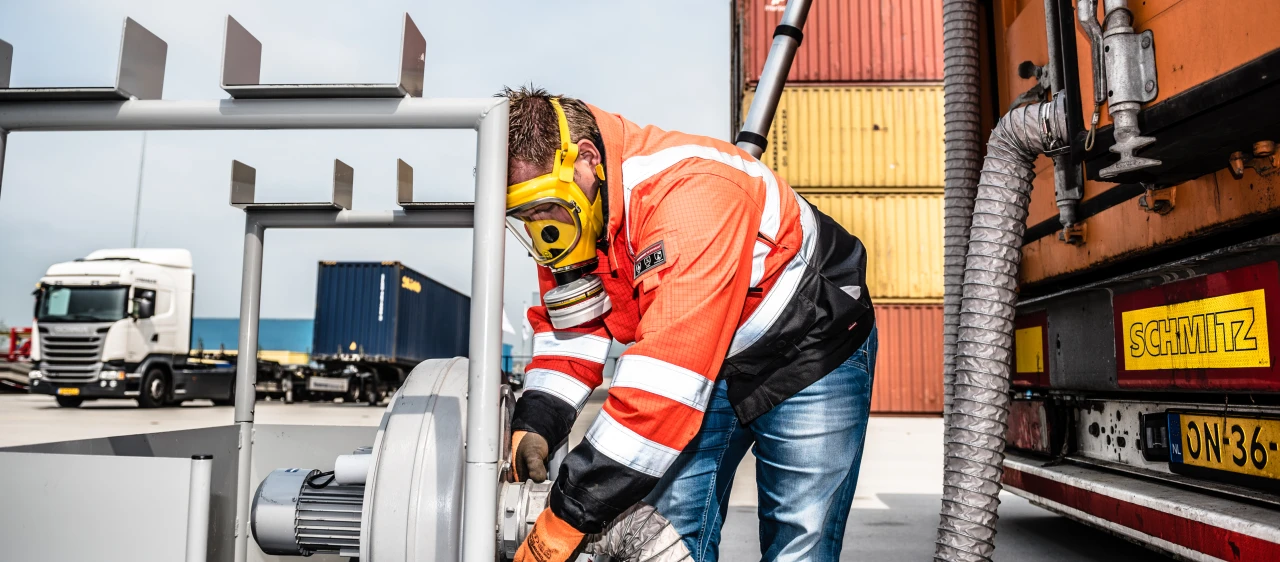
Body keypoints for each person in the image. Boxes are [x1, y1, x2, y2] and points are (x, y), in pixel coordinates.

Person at [504, 86, 878, 562]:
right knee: (668, 534)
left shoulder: (690, 195)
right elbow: (575, 327)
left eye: (543, 207)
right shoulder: (572, 215)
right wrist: (537, 419)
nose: (542, 227)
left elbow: (661, 392)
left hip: (811, 348)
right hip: (710, 358)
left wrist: (566, 516)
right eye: (524, 216)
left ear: (586, 160)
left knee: (798, 542)